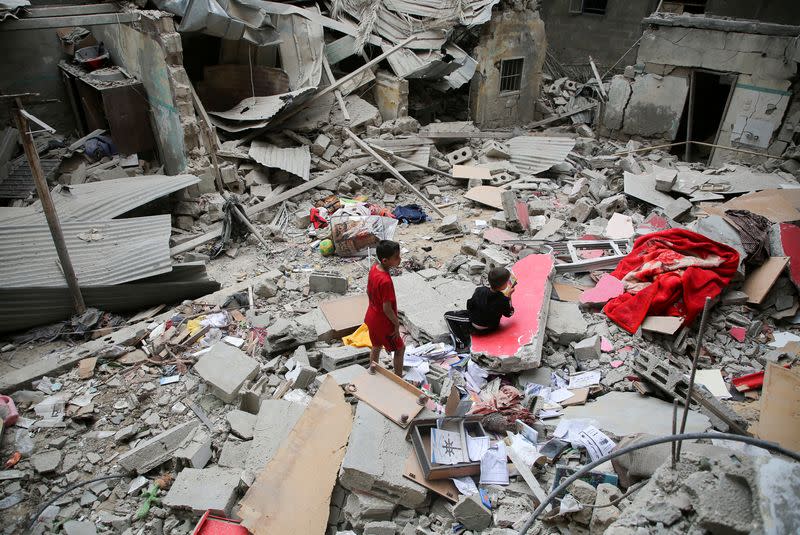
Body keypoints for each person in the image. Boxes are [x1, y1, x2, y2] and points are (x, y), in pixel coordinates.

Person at [444, 266, 515, 351]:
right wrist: (509, 297)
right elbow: (509, 313)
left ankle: (461, 343)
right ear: (504, 285)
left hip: (476, 327)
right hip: (493, 327)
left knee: (447, 316)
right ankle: (463, 339)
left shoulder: (479, 290)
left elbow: (469, 306)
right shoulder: (503, 299)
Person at [365, 240, 405, 376]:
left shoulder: (374, 268)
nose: (399, 259)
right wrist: (396, 323)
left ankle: (372, 370)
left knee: (376, 346)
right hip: (383, 322)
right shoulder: (386, 281)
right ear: (385, 260)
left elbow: (368, 291)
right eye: (396, 257)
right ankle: (399, 378)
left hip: (371, 316)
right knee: (400, 349)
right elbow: (387, 308)